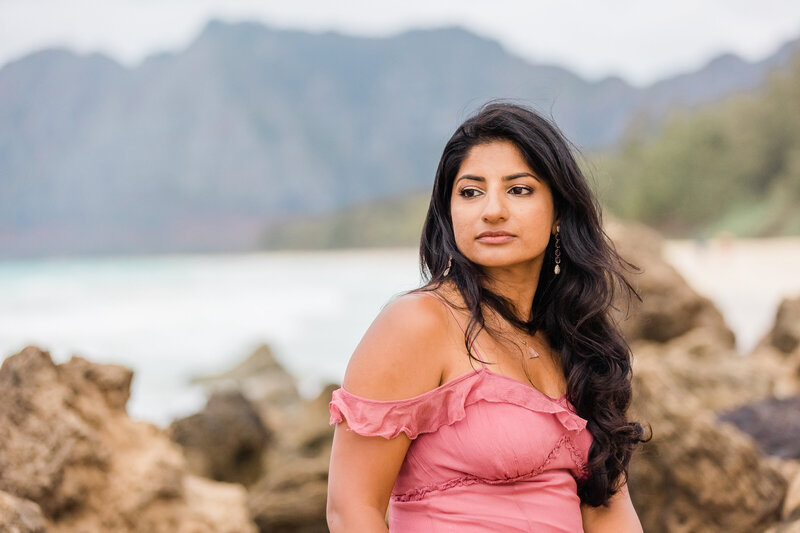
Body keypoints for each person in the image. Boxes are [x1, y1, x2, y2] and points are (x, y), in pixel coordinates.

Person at [326, 102, 648, 532]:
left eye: (519, 190)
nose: (492, 210)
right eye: (471, 191)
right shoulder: (420, 323)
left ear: (559, 214)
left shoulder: (576, 340)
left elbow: (608, 508)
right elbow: (353, 510)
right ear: (449, 211)